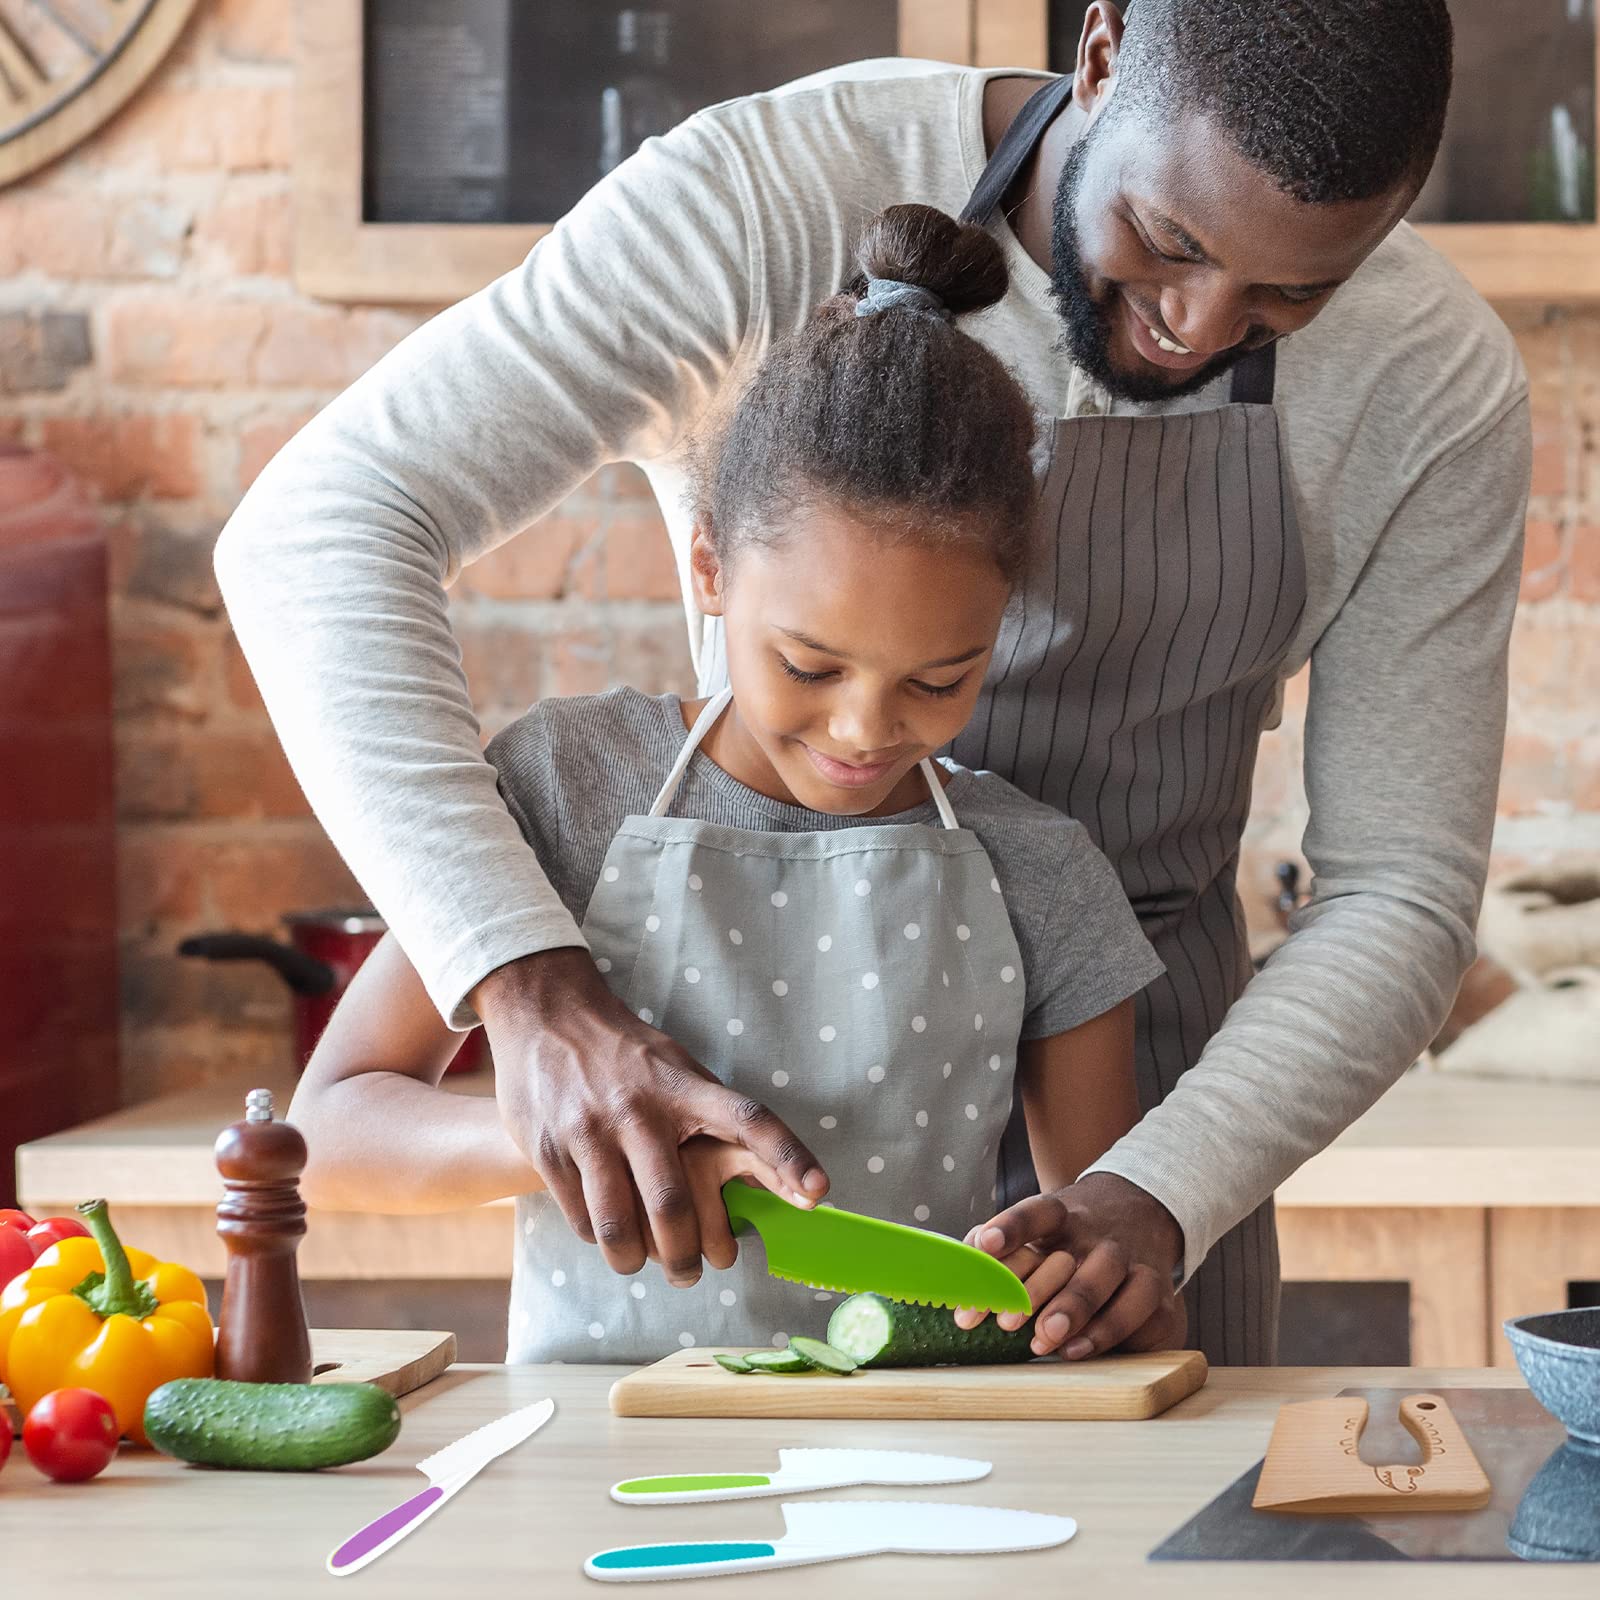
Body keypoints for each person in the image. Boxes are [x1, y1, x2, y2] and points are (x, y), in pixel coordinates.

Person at [218, 0, 1531, 1364]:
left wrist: (1157, 1190)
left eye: (1286, 298)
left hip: (1159, 1140)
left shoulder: (1431, 378)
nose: (1196, 330)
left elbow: (1400, 890)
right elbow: (320, 526)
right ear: (1100, 55)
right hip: (739, 1113)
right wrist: (528, 987)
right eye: (1167, 240)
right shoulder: (763, 197)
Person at [286, 205, 1173, 1364]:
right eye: (807, 663)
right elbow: (330, 1127)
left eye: (940, 676)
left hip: (923, 1465)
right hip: (593, 1459)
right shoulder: (569, 785)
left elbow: (1115, 1262)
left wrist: (1095, 1287)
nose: (864, 728)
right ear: (709, 565)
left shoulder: (1041, 866)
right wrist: (590, 1138)